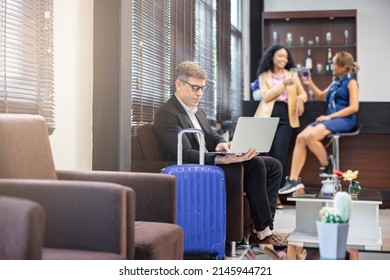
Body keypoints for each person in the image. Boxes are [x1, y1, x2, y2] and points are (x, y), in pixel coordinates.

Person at [154, 60, 285, 246]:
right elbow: (184, 154)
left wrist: (223, 145)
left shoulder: (196, 112)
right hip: (198, 170)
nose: (199, 93)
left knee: (274, 166)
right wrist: (222, 160)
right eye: (194, 88)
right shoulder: (166, 114)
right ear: (178, 84)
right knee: (255, 164)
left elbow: (214, 137)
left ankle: (262, 226)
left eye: (202, 88)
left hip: (211, 161)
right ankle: (264, 232)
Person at [279, 51, 360, 195]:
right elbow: (322, 95)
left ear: (343, 67)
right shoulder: (335, 82)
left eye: (334, 63)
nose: (332, 66)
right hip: (331, 119)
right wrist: (309, 82)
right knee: (301, 137)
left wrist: (329, 117)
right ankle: (293, 179)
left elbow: (354, 107)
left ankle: (327, 165)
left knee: (311, 137)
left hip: (345, 120)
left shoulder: (351, 83)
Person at [254, 45, 308, 208]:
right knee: (264, 156)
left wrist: (300, 100)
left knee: (279, 157)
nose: (283, 59)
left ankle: (275, 196)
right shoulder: (264, 75)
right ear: (272, 57)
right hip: (266, 117)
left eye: (285, 57)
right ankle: (262, 195)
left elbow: (303, 93)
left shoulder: (292, 75)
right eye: (280, 56)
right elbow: (267, 96)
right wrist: (283, 84)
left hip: (286, 118)